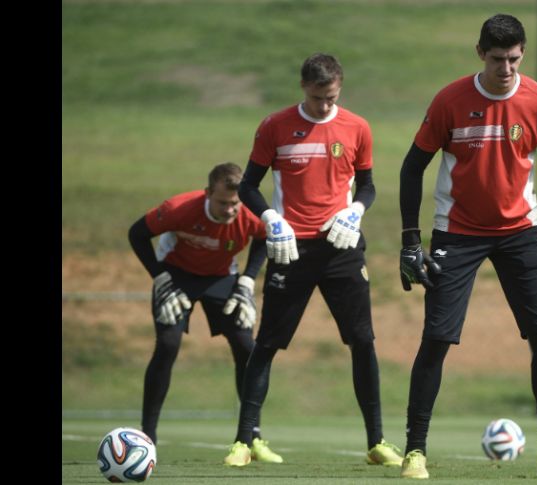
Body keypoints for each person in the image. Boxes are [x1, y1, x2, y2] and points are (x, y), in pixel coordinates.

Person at [397, 14, 537, 479]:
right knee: (437, 338)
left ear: (521, 53)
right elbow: (410, 168)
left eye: (515, 58)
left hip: (521, 231)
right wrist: (409, 241)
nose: (506, 68)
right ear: (480, 52)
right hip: (456, 232)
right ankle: (414, 452)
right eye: (498, 58)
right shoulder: (450, 101)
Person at [222, 53, 403, 468]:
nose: (325, 105)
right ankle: (243, 441)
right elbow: (249, 186)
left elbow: (369, 185)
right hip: (290, 248)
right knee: (266, 344)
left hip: (341, 246)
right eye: (318, 97)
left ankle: (377, 441)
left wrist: (356, 210)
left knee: (362, 341)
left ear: (340, 88)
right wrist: (270, 218)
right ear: (304, 87)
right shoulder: (275, 126)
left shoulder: (357, 127)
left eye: (332, 97)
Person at [128, 162, 267, 446]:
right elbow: (137, 234)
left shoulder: (251, 213)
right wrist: (159, 277)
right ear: (207, 193)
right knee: (167, 344)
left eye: (235, 203)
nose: (230, 210)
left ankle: (252, 436)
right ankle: (148, 436)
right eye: (223, 202)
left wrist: (247, 280)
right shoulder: (179, 209)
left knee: (247, 348)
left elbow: (265, 238)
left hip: (221, 277)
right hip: (176, 274)